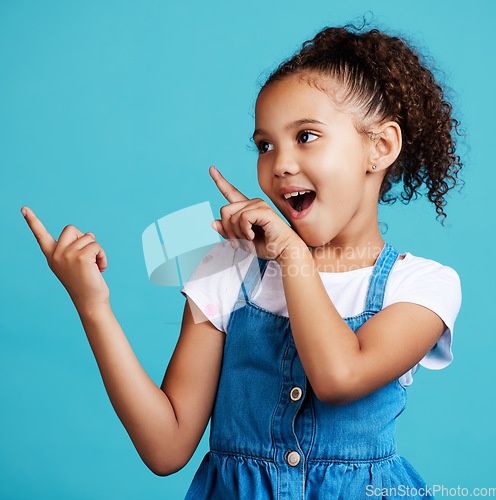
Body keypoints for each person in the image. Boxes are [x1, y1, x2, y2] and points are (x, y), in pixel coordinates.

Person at [22, 20, 463, 500]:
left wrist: (292, 253)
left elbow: (339, 376)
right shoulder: (227, 267)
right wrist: (92, 305)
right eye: (265, 145)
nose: (281, 163)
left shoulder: (422, 285)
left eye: (307, 136)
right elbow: (165, 447)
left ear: (380, 147)